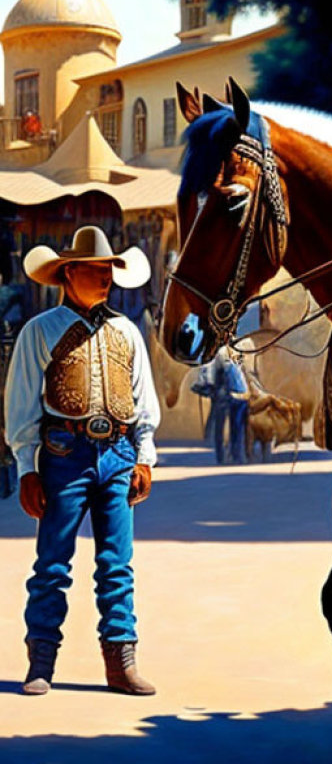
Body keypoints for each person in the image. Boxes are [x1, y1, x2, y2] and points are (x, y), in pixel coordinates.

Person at [5, 225, 160, 696]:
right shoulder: (40, 331)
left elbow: (142, 400)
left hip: (117, 452)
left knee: (117, 563)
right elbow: (22, 404)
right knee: (53, 563)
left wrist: (144, 456)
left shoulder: (127, 331)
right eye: (96, 269)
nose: (106, 277)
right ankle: (41, 662)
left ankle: (121, 662)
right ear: (69, 273)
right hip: (63, 456)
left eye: (110, 269)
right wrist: (28, 468)